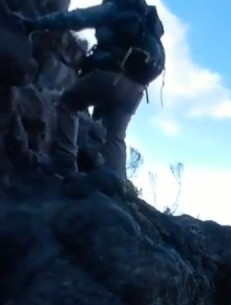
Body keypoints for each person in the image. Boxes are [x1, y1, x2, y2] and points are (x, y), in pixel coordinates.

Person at [22, 0, 166, 179]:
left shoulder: (116, 7)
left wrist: (36, 24)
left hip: (112, 76)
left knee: (68, 105)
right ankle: (116, 187)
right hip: (136, 89)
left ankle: (64, 161)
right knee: (115, 137)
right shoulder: (147, 21)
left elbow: (76, 18)